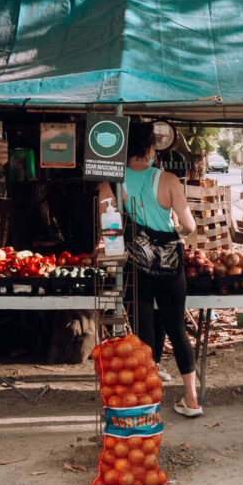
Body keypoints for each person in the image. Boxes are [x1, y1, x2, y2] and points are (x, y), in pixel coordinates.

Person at [99, 122, 201, 417]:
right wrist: (172, 226)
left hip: (137, 267)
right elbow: (189, 226)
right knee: (177, 330)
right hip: (170, 266)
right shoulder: (169, 179)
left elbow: (109, 232)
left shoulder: (111, 184)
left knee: (143, 333)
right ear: (151, 149)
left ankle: (147, 403)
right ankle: (192, 400)